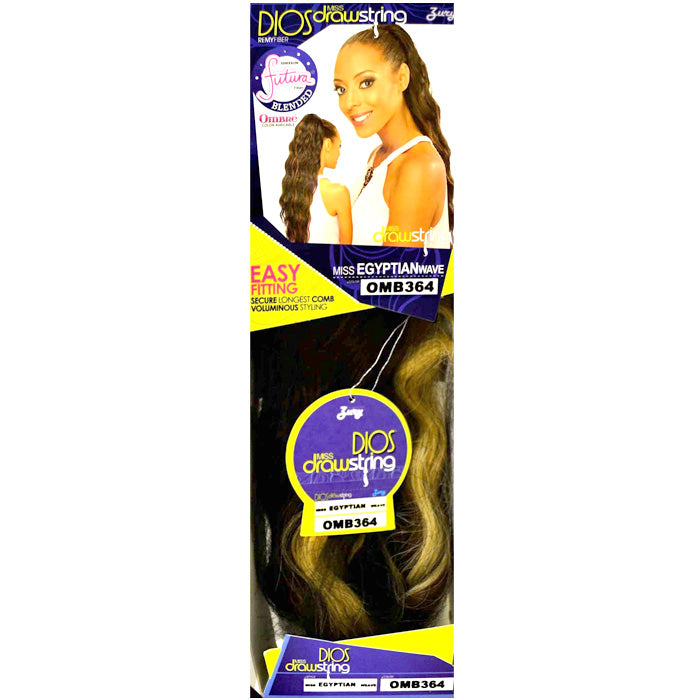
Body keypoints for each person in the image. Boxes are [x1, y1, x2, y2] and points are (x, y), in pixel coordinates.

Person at [333, 25, 453, 248]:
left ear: (402, 78)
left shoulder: (418, 167)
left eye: (366, 83)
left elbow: (391, 268)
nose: (349, 102)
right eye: (341, 89)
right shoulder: (378, 156)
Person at [279, 114, 352, 244]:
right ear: (328, 144)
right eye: (339, 146)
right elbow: (346, 249)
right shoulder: (338, 192)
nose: (339, 152)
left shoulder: (293, 189)